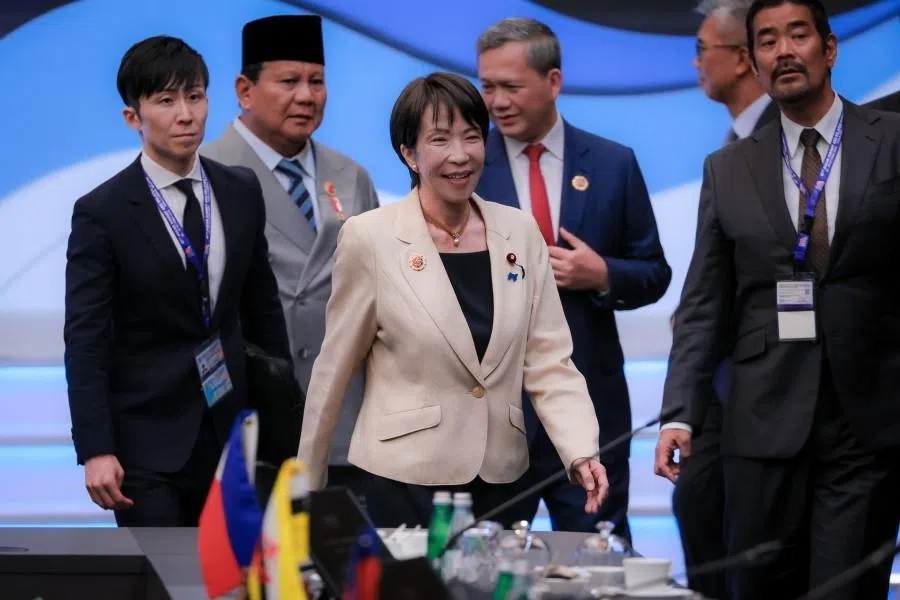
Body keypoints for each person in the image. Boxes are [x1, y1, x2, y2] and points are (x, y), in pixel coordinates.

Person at [656, 1, 900, 598]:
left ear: (830, 48)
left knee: (847, 587)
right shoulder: (729, 167)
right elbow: (704, 300)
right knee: (761, 584)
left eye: (797, 35)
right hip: (763, 417)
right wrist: (680, 411)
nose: (783, 51)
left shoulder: (891, 140)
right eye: (767, 41)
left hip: (867, 417)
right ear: (755, 61)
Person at [297, 72, 608, 528]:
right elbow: (335, 366)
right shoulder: (371, 237)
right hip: (404, 477)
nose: (460, 155)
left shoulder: (519, 231)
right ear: (409, 154)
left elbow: (548, 360)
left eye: (471, 137)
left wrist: (581, 449)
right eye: (440, 140)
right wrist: (307, 483)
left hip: (502, 477)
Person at [63, 36, 291, 527]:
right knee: (167, 584)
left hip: (232, 432)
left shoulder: (240, 190)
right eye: (166, 101)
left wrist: (282, 423)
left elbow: (263, 311)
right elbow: (85, 339)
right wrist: (96, 448)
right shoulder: (102, 213)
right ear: (133, 117)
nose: (186, 114)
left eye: (195, 95)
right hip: (145, 442)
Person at [474, 17, 671, 538]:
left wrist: (602, 273)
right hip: (491, 418)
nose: (496, 102)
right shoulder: (463, 168)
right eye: (487, 86)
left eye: (511, 87)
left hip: (590, 410)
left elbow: (654, 272)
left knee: (596, 561)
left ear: (553, 81)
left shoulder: (612, 163)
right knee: (476, 568)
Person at [202, 15, 379, 499]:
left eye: (316, 81)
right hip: (251, 415)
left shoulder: (350, 175)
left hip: (343, 415)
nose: (306, 96)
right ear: (244, 89)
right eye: (289, 81)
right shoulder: (208, 170)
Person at [663, 2, 777, 597]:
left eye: (705, 48)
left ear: (740, 58)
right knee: (701, 507)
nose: (696, 61)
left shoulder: (783, 140)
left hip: (768, 377)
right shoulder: (731, 144)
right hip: (717, 376)